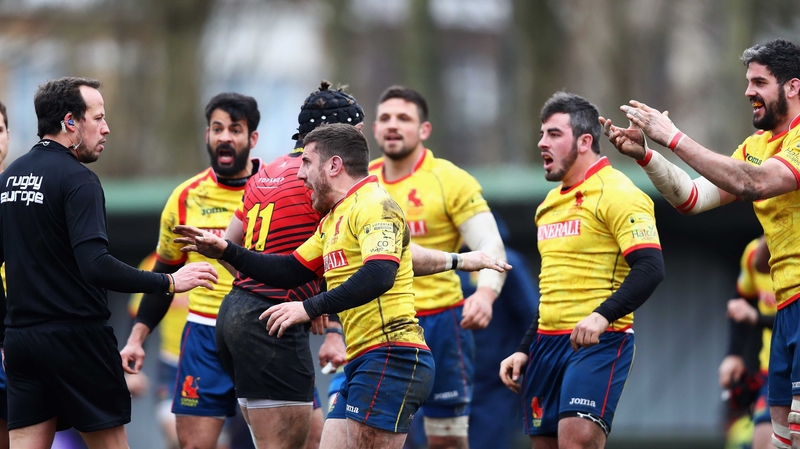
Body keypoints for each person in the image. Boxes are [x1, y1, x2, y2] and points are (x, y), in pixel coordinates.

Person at [173, 123, 512, 449]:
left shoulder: (374, 204)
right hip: (362, 360)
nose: (300, 173)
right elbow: (291, 269)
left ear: (334, 165)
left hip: (392, 355)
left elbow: (380, 274)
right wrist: (227, 250)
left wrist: (308, 307)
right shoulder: (334, 217)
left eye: (306, 162)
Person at [601, 38, 800, 448]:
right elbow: (692, 200)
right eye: (748, 82)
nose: (748, 92)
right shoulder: (755, 148)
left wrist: (673, 137)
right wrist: (648, 156)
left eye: (759, 82)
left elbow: (754, 182)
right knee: (781, 438)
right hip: (786, 308)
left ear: (793, 87)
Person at [0, 77, 217, 449]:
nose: (106, 128)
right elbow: (96, 265)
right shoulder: (78, 180)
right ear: (71, 123)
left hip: (21, 342)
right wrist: (168, 282)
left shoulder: (8, 179)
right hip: (77, 341)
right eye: (97, 118)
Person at [499, 92, 665, 449]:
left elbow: (651, 267)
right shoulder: (548, 206)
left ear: (585, 141)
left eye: (554, 134)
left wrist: (602, 316)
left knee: (576, 440)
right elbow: (552, 291)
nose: (542, 142)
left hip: (597, 342)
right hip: (545, 345)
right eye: (542, 134)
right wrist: (524, 348)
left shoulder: (619, 192)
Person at [215, 81, 358, 449]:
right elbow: (348, 259)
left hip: (237, 313)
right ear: (336, 135)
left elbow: (229, 243)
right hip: (271, 324)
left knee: (313, 436)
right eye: (356, 133)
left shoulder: (268, 170)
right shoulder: (324, 179)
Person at [119, 92, 262, 449]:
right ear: (207, 136)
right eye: (217, 128)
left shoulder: (278, 191)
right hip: (202, 335)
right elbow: (163, 274)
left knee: (299, 437)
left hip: (262, 331)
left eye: (235, 128)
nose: (225, 136)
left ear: (252, 138)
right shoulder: (185, 197)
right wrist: (137, 338)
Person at [368, 85, 508, 449]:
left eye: (404, 118)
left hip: (443, 325)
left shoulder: (450, 179)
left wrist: (486, 295)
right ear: (374, 128)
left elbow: (489, 244)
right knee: (371, 435)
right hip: (378, 325)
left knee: (446, 441)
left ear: (424, 129)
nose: (393, 125)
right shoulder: (360, 183)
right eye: (385, 118)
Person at [719, 237, 775, 449]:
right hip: (773, 370)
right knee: (762, 443)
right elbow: (740, 301)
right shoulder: (753, 252)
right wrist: (733, 354)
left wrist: (757, 318)